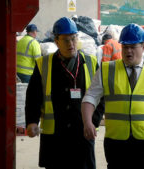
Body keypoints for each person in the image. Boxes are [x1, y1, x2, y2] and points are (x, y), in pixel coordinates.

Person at [81, 23, 144, 169]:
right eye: (125, 47)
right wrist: (87, 122)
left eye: (133, 47)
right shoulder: (106, 70)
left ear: (143, 47)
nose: (128, 51)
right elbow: (90, 98)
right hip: (116, 142)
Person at [25, 17, 104, 169]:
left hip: (82, 134)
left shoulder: (91, 62)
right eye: (65, 40)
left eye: (73, 39)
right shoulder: (44, 64)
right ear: (56, 41)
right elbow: (33, 96)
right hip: (55, 136)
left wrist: (92, 121)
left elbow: (101, 97)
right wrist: (32, 121)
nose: (71, 44)